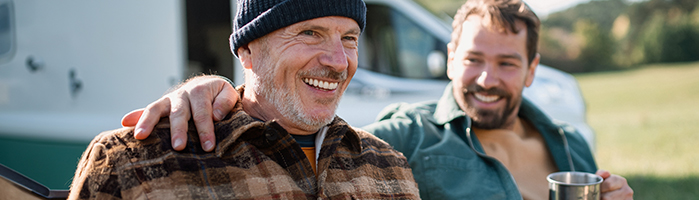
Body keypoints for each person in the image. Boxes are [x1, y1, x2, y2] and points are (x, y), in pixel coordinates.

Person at [123, 0, 634, 199]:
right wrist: (213, 90)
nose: (487, 78)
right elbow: (300, 134)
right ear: (450, 57)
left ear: (532, 71)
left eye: (507, 64)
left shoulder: (569, 149)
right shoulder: (407, 139)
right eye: (475, 59)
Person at [69, 0, 420, 199]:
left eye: (349, 38)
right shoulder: (134, 163)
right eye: (310, 33)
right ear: (248, 51)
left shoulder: (388, 166)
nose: (339, 62)